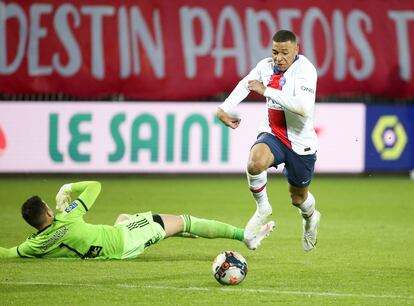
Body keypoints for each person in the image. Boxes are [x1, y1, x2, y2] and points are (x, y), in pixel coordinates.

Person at [217, 30, 320, 252]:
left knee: (298, 199)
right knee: (255, 162)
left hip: (301, 143)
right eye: (275, 52)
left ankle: (311, 219)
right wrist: (224, 109)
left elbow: (303, 107)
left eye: (285, 52)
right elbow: (247, 83)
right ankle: (263, 208)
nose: (279, 57)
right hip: (273, 134)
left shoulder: (306, 70)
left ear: (296, 50)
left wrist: (266, 90)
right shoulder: (265, 66)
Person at [0, 181, 274, 259]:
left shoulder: (34, 245)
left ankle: (168, 231)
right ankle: (246, 236)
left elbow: (9, 252)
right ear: (48, 212)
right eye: (50, 206)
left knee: (124, 217)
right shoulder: (67, 217)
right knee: (184, 220)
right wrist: (69, 187)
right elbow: (94, 186)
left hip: (111, 241)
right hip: (125, 241)